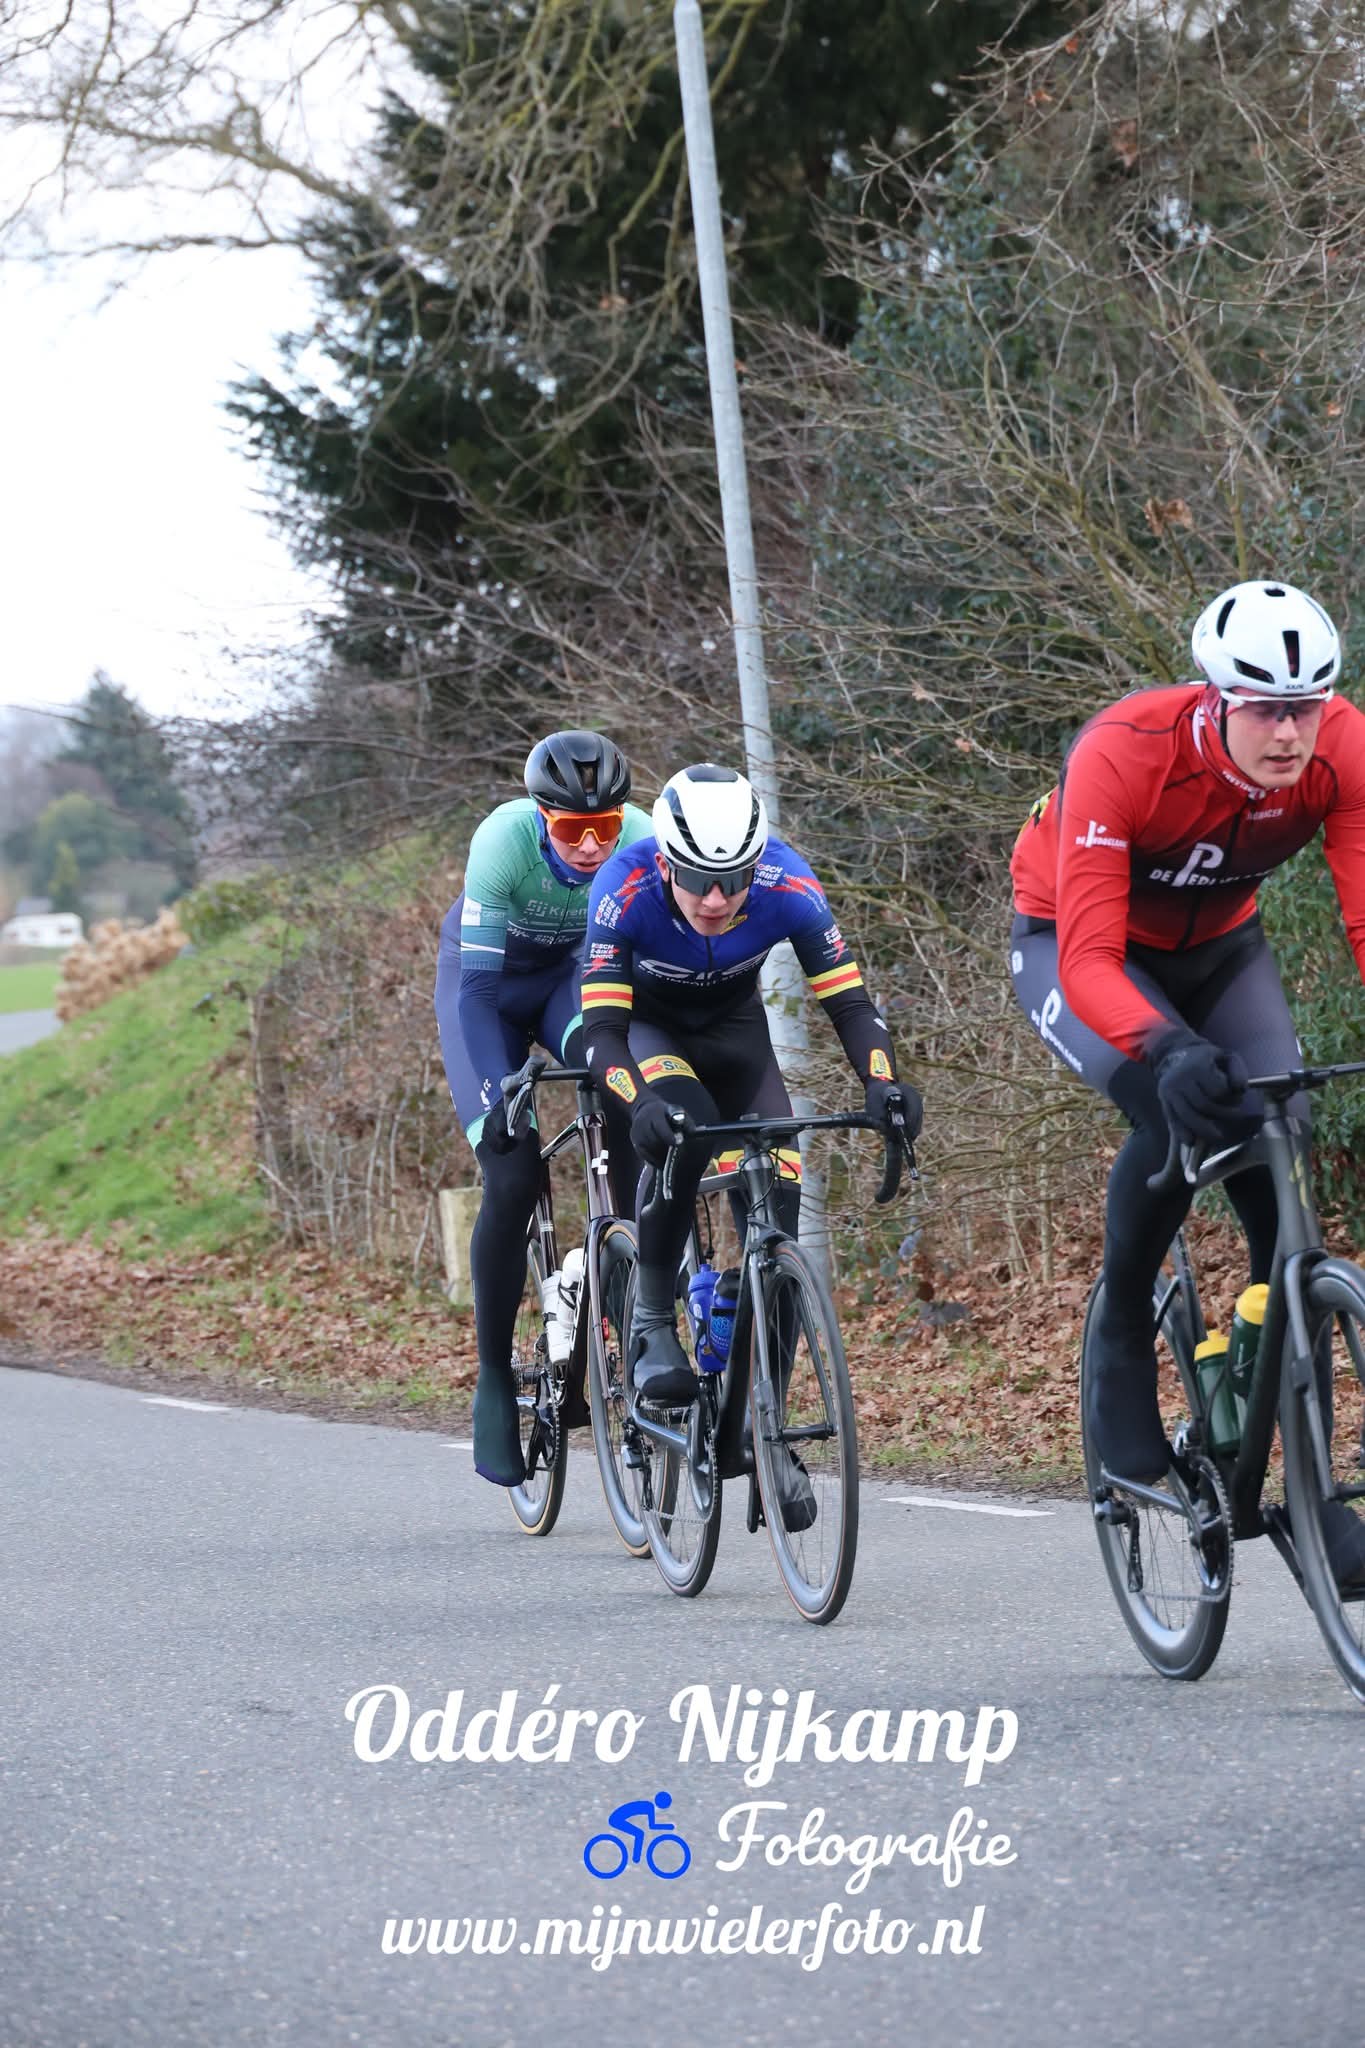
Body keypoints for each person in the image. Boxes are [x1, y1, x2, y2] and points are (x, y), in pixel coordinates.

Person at [1009, 579, 1365, 1583]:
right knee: (1175, 1111)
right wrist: (1163, 1049)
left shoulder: (1344, 747)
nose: (1289, 732)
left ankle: (1305, 1485)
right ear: (1216, 698)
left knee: (1281, 1153)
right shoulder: (1125, 750)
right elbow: (1087, 958)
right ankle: (1123, 1330)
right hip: (1078, 949)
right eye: (1265, 709)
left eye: (1306, 706)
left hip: (1221, 951)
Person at [580, 762, 922, 1523]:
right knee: (686, 1131)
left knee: (780, 1205)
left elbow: (851, 1005)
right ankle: (651, 1321)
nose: (715, 899)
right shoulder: (623, 887)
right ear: (666, 863)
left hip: (739, 1038)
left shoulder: (788, 884)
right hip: (650, 1032)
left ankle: (765, 1429)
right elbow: (601, 1031)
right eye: (700, 880)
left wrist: (883, 1082)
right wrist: (637, 1103)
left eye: (732, 880)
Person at [434, 731, 653, 1488]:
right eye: (571, 830)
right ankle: (494, 1376)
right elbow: (476, 994)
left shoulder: (644, 839)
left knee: (627, 1094)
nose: (592, 847)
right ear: (541, 818)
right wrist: (499, 1096)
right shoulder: (501, 842)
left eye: (605, 827)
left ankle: (629, 1296)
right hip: (488, 993)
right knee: (513, 1172)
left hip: (568, 983)